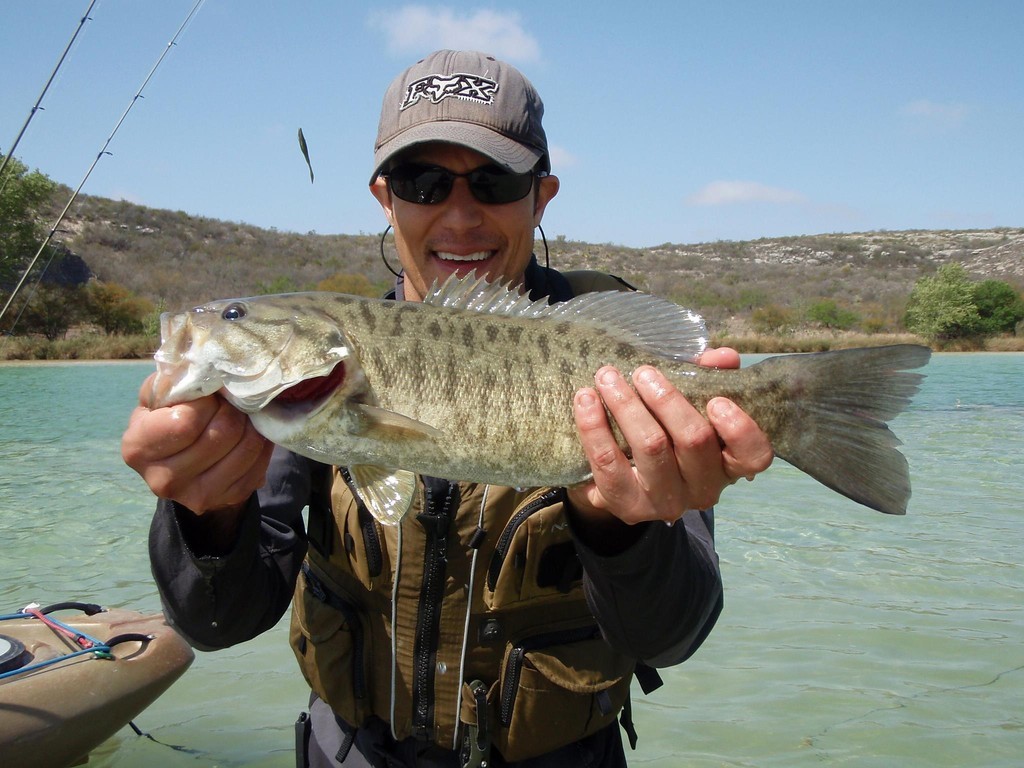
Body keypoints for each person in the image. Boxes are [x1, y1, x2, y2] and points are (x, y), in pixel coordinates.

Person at [122, 50, 773, 767]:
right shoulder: (304, 396)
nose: (460, 216)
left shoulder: (621, 372)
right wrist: (204, 516)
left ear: (541, 195)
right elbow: (219, 622)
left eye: (493, 181)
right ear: (385, 198)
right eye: (422, 181)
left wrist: (619, 527)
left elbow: (672, 638)